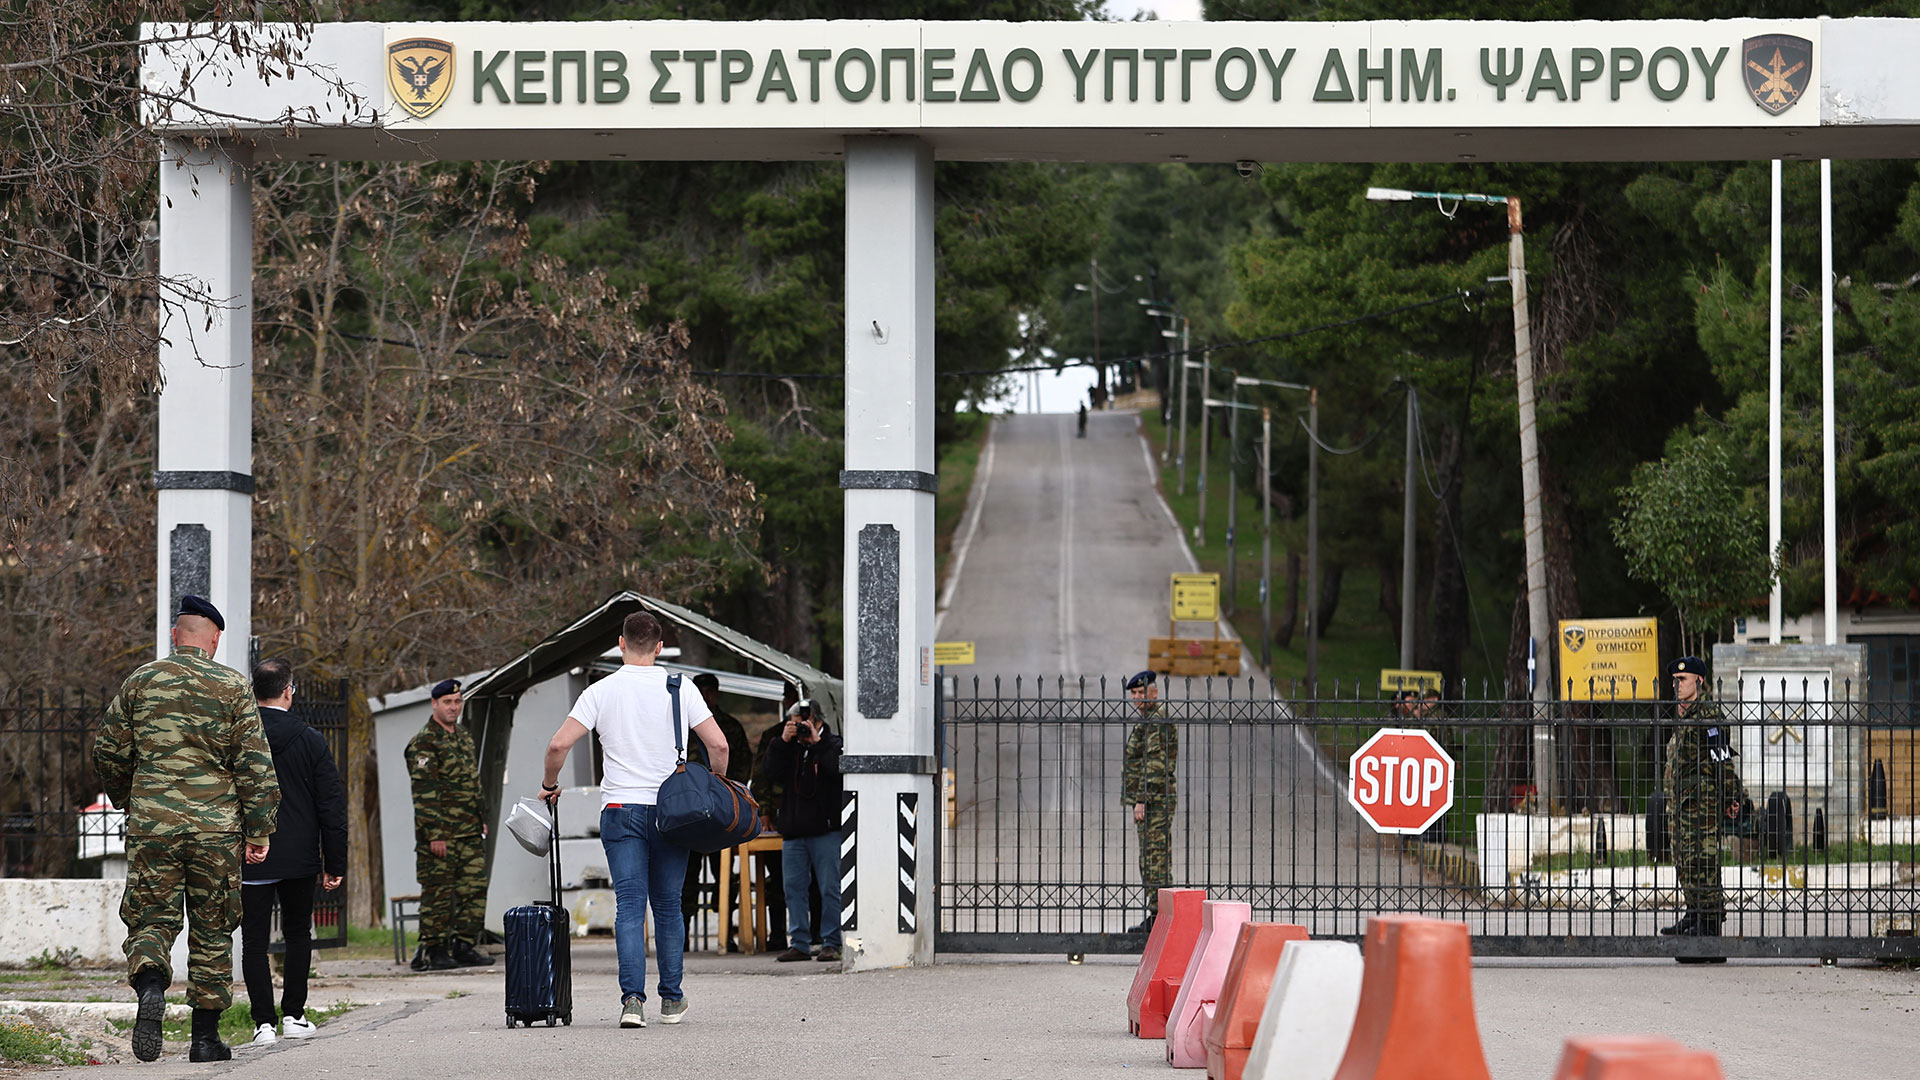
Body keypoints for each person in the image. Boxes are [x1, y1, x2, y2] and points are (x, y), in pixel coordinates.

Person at [93, 595, 280, 1063]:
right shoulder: (234, 687)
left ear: (176, 635)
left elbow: (107, 752)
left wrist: (133, 801)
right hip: (215, 829)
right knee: (213, 929)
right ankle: (204, 1039)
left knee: (151, 919)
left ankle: (152, 984)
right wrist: (259, 832)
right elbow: (255, 767)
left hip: (153, 826)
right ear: (214, 638)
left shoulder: (141, 680)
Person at [540, 612, 729, 1029]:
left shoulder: (600, 691)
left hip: (620, 811)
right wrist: (716, 786)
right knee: (667, 907)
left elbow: (558, 745)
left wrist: (550, 784)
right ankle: (672, 1000)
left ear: (621, 644)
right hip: (671, 813)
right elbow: (718, 743)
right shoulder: (681, 688)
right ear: (659, 647)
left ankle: (631, 1002)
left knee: (629, 908)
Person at [241, 659, 348, 1047]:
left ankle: (262, 1024)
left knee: (254, 940)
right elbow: (330, 807)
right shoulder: (311, 740)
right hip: (301, 856)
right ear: (289, 691)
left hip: (252, 852)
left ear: (254, 692)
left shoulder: (240, 737)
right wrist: (334, 862)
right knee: (298, 934)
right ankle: (294, 1015)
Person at [1661, 655, 1749, 963]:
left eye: (1682, 680)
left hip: (1702, 803)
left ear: (1698, 681)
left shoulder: (1709, 715)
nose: (1677, 684)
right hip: (1682, 805)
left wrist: (1732, 796)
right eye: (1675, 680)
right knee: (1685, 861)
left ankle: (1708, 932)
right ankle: (1694, 914)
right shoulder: (1685, 716)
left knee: (1704, 862)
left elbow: (1721, 759)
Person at [407, 679, 493, 970]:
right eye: (447, 702)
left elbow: (473, 783)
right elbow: (425, 792)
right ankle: (435, 948)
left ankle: (464, 944)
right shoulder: (424, 743)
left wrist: (482, 819)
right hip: (441, 834)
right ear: (434, 704)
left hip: (469, 830)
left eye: (457, 702)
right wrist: (435, 835)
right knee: (439, 892)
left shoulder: (463, 737)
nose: (454, 707)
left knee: (474, 889)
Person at [762, 698, 844, 963]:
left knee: (830, 888)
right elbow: (769, 772)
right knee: (793, 888)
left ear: (818, 720)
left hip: (826, 830)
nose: (803, 727)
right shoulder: (789, 748)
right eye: (798, 722)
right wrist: (783, 742)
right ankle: (799, 943)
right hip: (795, 831)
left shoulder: (834, 744)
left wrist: (817, 745)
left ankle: (832, 941)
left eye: (806, 721)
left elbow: (837, 770)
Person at [681, 673, 752, 949]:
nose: (706, 696)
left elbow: (743, 765)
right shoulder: (681, 726)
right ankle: (683, 934)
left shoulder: (729, 727)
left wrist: (726, 795)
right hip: (688, 814)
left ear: (716, 694)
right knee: (686, 875)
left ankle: (727, 932)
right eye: (702, 691)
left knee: (726, 877)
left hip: (721, 812)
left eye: (710, 691)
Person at [1121, 669, 1177, 935]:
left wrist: (1141, 800)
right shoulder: (1148, 719)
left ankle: (1160, 918)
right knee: (1151, 857)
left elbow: (1155, 764)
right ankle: (1158, 915)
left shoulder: (1156, 720)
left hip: (1155, 800)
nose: (1137, 698)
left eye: (1141, 693)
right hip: (1151, 799)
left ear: (1154, 692)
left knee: (1155, 858)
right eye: (1133, 694)